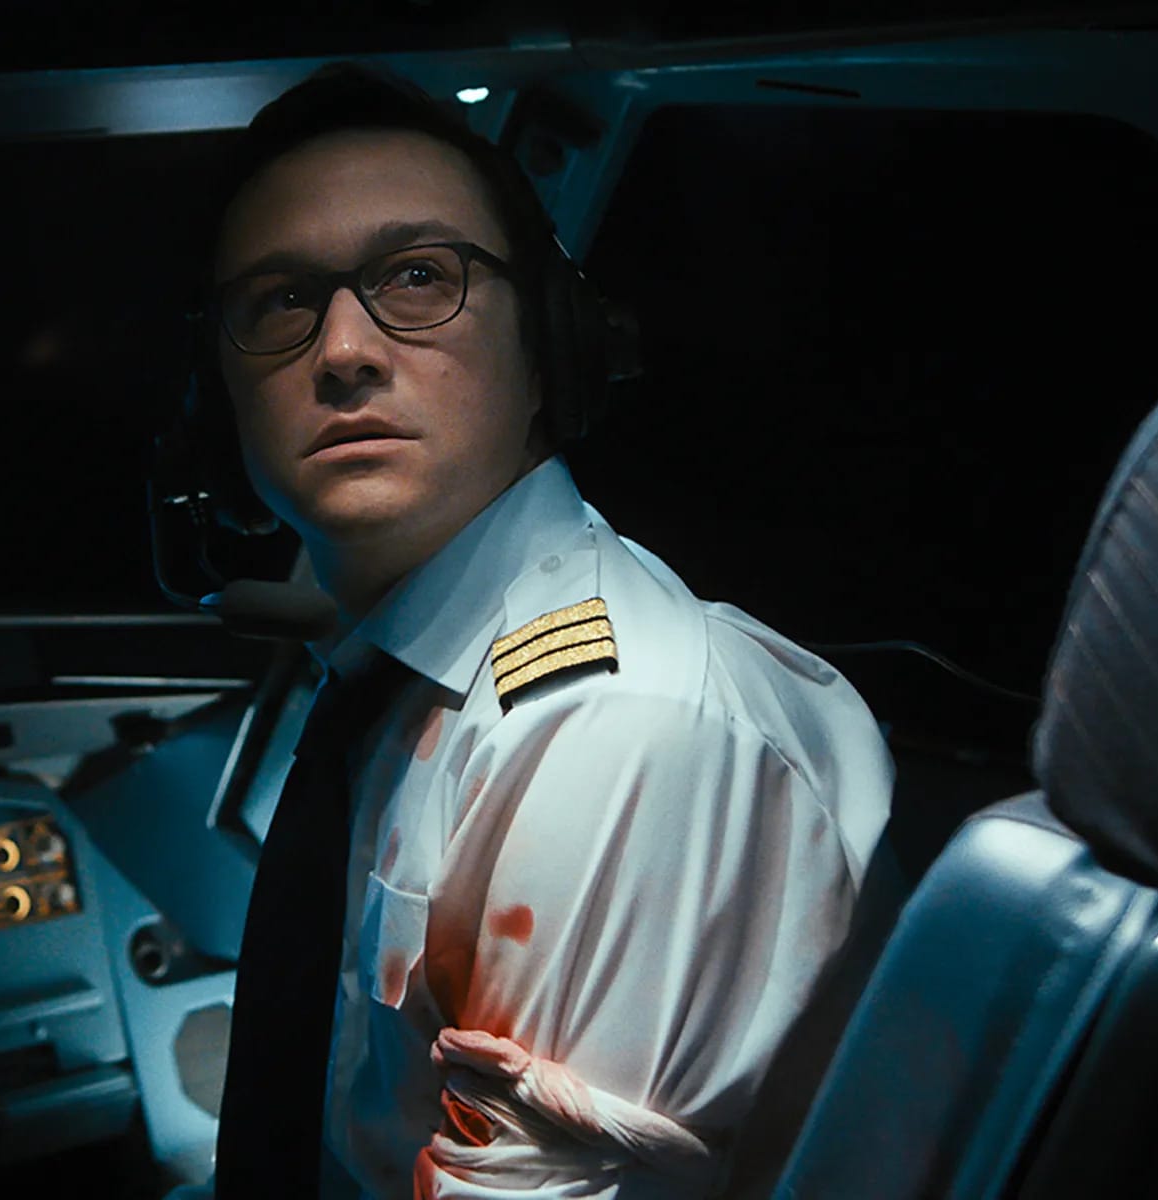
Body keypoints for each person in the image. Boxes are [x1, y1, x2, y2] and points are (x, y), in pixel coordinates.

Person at [194, 63, 895, 1198]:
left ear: (546, 349)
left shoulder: (606, 727)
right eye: (279, 301)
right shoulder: (399, 679)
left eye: (418, 277)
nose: (343, 351)